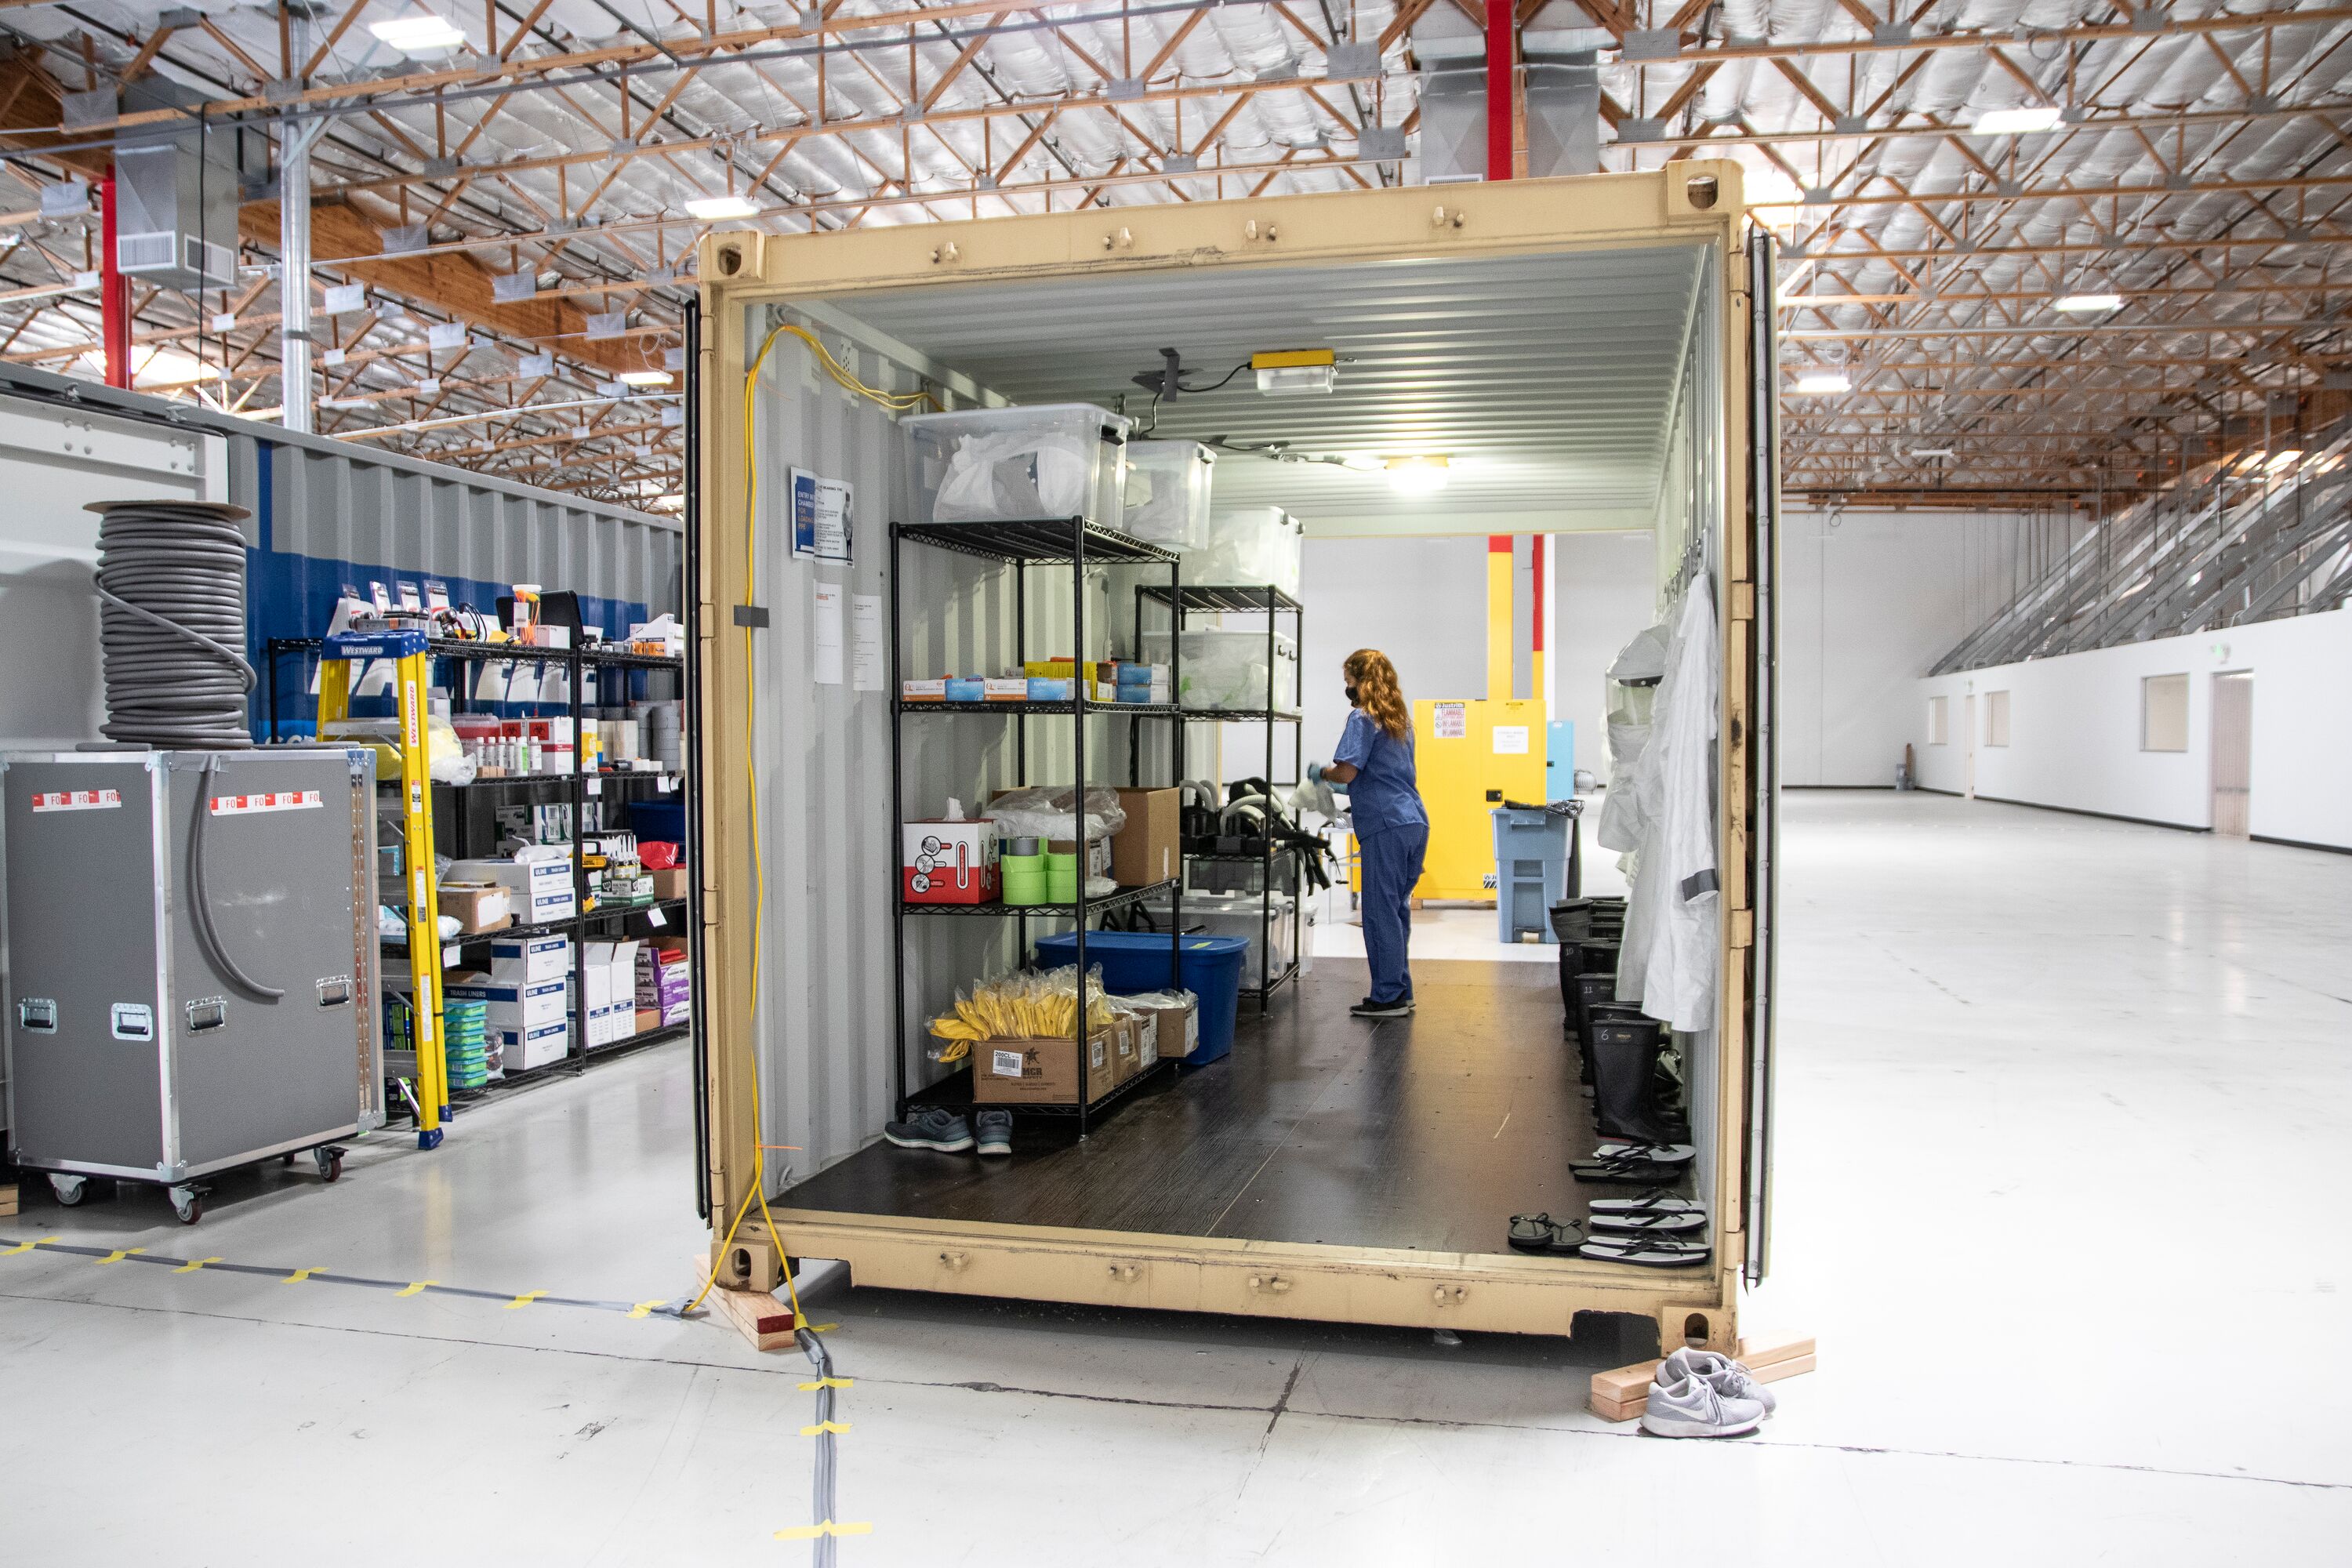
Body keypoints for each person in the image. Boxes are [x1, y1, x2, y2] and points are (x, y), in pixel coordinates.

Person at [1319, 648, 1429, 1019]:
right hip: (1413, 821)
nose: (1348, 690)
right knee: (1396, 910)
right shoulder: (1401, 721)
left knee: (1380, 913)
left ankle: (1387, 997)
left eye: (1350, 682)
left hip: (1385, 824)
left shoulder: (1362, 718)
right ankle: (1401, 989)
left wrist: (1321, 775)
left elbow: (1347, 772)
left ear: (1362, 681)